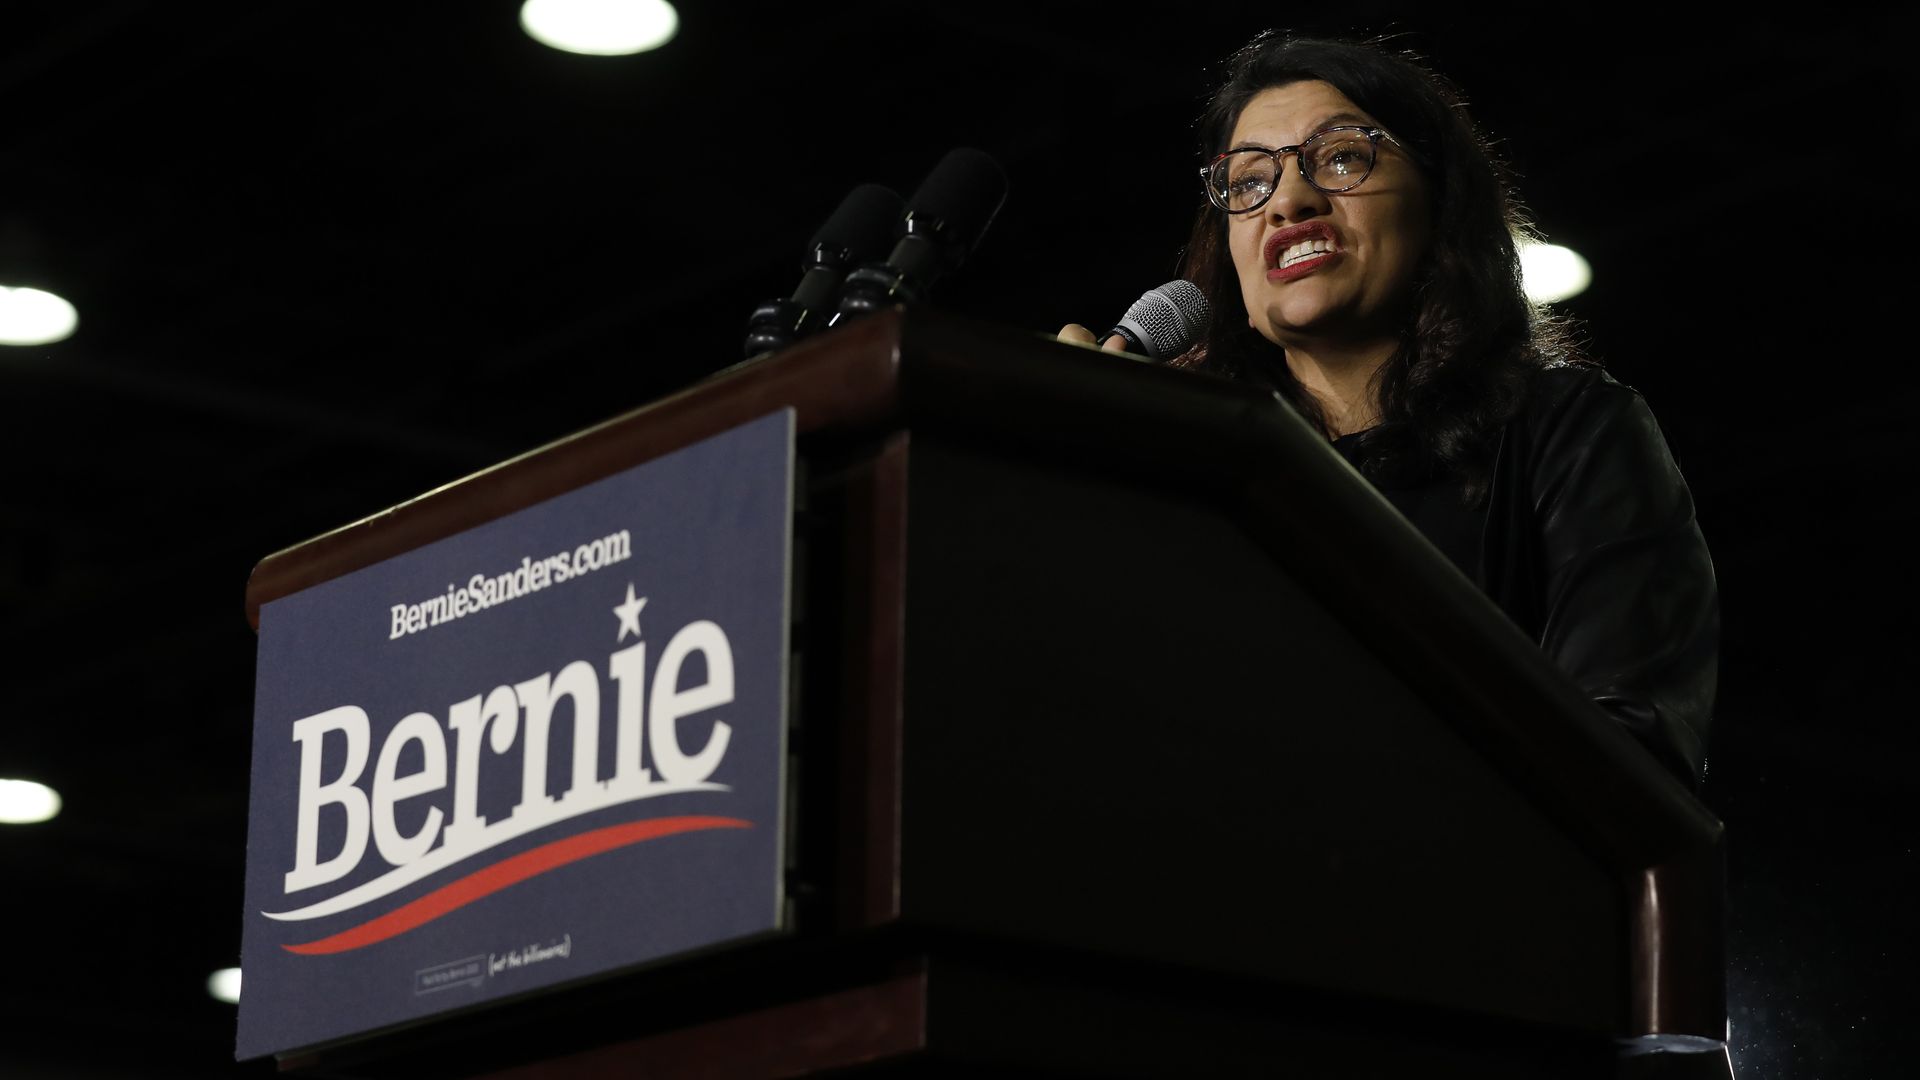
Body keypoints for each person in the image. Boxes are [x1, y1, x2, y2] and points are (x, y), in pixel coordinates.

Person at [1061, 33, 1717, 786]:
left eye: (1341, 157)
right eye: (1249, 182)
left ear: (1439, 202)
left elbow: (1628, 758)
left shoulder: (1573, 435)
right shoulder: (1189, 474)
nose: (1291, 202)